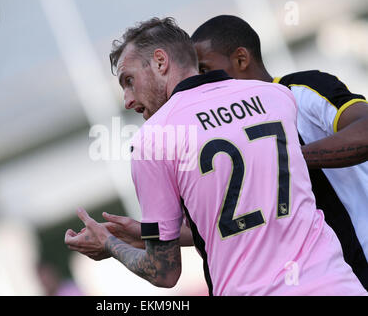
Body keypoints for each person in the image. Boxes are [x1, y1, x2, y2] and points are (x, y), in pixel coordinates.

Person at [65, 17, 366, 295]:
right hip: (339, 285)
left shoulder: (154, 139)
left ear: (160, 62)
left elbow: (164, 272)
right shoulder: (275, 98)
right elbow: (245, 222)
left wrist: (111, 244)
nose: (128, 100)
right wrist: (148, 233)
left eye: (129, 80)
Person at [190, 15, 368, 289]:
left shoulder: (301, 89)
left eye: (205, 70)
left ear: (240, 59)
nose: (202, 83)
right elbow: (224, 221)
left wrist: (287, 158)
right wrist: (144, 235)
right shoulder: (227, 135)